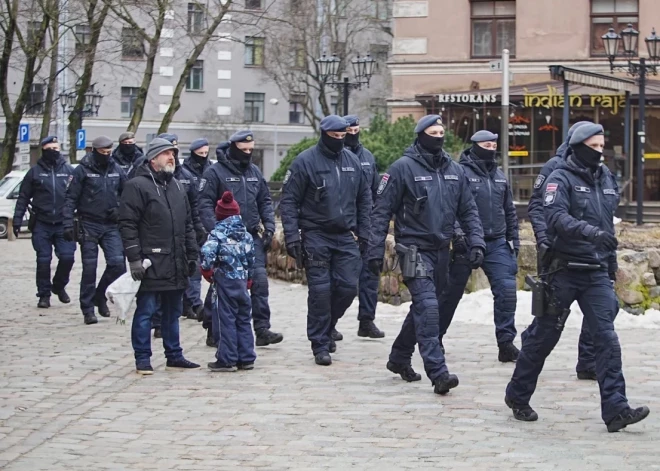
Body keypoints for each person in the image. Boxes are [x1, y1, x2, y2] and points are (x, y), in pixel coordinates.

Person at [505, 123, 650, 432]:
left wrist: (609, 264)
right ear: (579, 145)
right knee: (544, 336)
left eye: (602, 146)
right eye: (594, 147)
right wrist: (591, 233)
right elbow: (555, 218)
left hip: (596, 272)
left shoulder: (606, 178)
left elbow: (608, 229)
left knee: (606, 338)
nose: (599, 152)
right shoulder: (560, 178)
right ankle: (517, 395)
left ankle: (616, 409)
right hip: (564, 270)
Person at [366, 115, 484, 394]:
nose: (439, 136)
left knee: (425, 307)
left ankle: (398, 357)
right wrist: (373, 250)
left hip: (443, 251)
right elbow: (381, 212)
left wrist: (477, 242)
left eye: (442, 131)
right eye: (433, 131)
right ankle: (438, 372)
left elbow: (468, 210)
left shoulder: (455, 170)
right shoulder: (401, 168)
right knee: (429, 307)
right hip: (412, 249)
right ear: (420, 135)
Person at [280, 115, 372, 366]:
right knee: (320, 291)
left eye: (344, 136)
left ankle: (329, 324)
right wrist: (292, 237)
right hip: (315, 234)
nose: (341, 141)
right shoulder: (305, 162)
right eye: (336, 137)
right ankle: (319, 343)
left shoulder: (352, 162)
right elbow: (288, 202)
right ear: (324, 135)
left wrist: (365, 232)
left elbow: (364, 199)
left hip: (345, 236)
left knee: (347, 287)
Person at [118, 137, 201, 375]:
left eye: (174, 153)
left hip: (176, 261)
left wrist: (191, 255)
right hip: (151, 261)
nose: (172, 157)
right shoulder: (137, 186)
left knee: (173, 312)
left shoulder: (177, 186)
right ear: (153, 158)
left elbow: (187, 224)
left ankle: (174, 354)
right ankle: (143, 358)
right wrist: (134, 258)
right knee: (146, 310)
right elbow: (127, 224)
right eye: (166, 153)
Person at [436, 130, 520, 362]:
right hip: (467, 244)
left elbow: (510, 212)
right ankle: (436, 338)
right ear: (474, 146)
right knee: (450, 294)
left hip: (497, 243)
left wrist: (515, 244)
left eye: (494, 144)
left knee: (507, 291)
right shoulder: (459, 172)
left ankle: (506, 343)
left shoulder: (501, 176)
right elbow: (448, 208)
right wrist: (459, 236)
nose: (491, 148)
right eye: (486, 144)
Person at [527, 121, 602, 380]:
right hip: (555, 250)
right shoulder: (555, 167)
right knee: (550, 315)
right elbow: (537, 206)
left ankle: (588, 362)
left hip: (588, 252)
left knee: (600, 312)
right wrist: (543, 238)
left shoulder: (597, 169)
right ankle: (530, 349)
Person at [198, 131, 282, 348]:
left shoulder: (254, 172)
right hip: (226, 239)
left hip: (250, 237)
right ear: (233, 147)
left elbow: (264, 200)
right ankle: (211, 324)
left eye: (250, 150)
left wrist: (269, 227)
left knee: (259, 281)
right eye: (243, 150)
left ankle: (262, 329)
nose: (247, 154)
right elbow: (204, 203)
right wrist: (216, 232)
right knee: (223, 283)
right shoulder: (214, 172)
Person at [63, 136, 127, 325]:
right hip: (88, 223)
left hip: (111, 225)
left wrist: (120, 209)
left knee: (117, 264)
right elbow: (70, 199)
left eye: (109, 152)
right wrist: (67, 223)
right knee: (89, 268)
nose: (107, 156)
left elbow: (128, 194)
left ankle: (100, 295)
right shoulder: (82, 171)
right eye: (103, 153)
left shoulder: (116, 169)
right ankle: (88, 309)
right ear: (95, 151)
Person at [13, 136, 76, 308]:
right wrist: (18, 219)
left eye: (56, 148)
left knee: (67, 257)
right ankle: (44, 294)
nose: (54, 152)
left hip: (64, 223)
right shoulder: (34, 172)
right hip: (42, 222)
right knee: (43, 260)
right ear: (43, 150)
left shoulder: (69, 171)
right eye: (50, 149)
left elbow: (78, 196)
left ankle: (59, 285)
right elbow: (23, 197)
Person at [201, 191, 256, 372]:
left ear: (220, 214)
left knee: (226, 320)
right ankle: (246, 357)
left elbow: (207, 253)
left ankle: (227, 358)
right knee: (243, 319)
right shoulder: (246, 234)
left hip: (225, 280)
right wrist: (249, 279)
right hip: (241, 282)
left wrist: (207, 270)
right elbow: (252, 259)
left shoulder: (217, 234)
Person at [341, 114, 384, 339]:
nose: (353, 134)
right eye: (349, 130)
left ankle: (366, 321)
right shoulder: (337, 157)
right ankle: (329, 323)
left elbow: (377, 189)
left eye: (356, 129)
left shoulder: (367, 156)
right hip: (345, 225)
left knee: (370, 274)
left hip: (368, 224)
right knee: (341, 279)